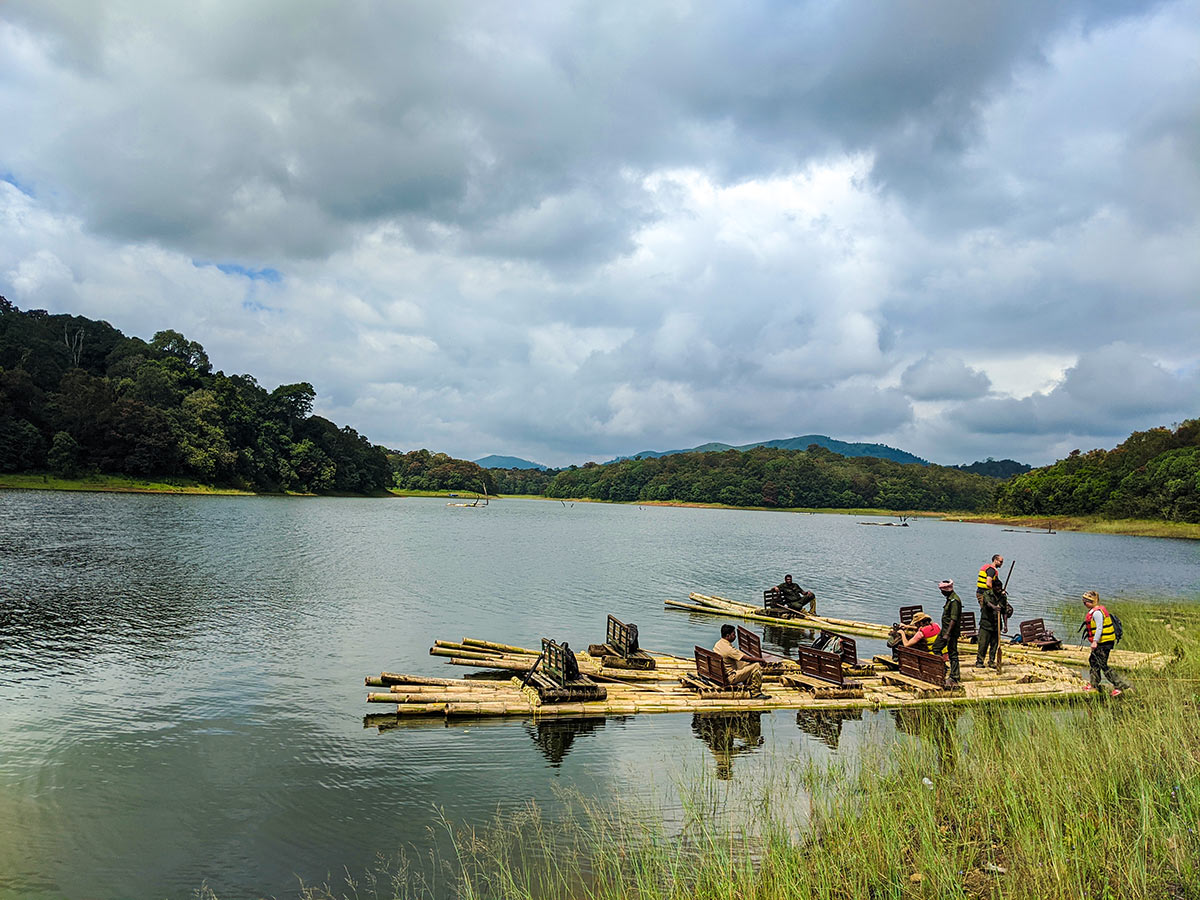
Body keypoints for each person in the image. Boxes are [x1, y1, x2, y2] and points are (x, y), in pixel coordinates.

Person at [1081, 591, 1130, 696]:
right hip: (1101, 643)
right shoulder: (1093, 611)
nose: (1084, 603)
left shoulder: (1097, 613)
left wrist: (1095, 641)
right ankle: (1094, 684)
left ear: (1093, 602)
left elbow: (1099, 628)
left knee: (1103, 664)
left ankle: (1120, 686)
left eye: (1087, 601)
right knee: (1093, 661)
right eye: (1084, 601)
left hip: (1104, 643)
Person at [713, 624, 767, 697]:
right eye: (733, 634)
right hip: (730, 678)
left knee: (745, 663)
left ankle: (748, 683)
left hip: (720, 674)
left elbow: (738, 654)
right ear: (728, 636)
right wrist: (761, 660)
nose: (735, 636)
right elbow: (747, 658)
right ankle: (755, 692)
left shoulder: (718, 644)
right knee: (756, 666)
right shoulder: (729, 650)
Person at [974, 554, 1008, 668]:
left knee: (994, 641)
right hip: (984, 594)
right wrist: (994, 596)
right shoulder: (991, 571)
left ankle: (991, 660)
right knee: (984, 639)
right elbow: (989, 583)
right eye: (1000, 561)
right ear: (995, 560)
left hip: (993, 602)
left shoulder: (993, 573)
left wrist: (1001, 595)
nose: (1002, 564)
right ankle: (980, 660)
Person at [929, 579, 962, 686]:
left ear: (947, 590)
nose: (941, 593)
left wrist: (947, 633)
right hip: (944, 630)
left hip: (950, 632)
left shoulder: (954, 601)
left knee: (953, 653)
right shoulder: (950, 599)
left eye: (942, 590)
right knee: (936, 648)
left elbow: (953, 619)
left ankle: (955, 676)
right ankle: (942, 668)